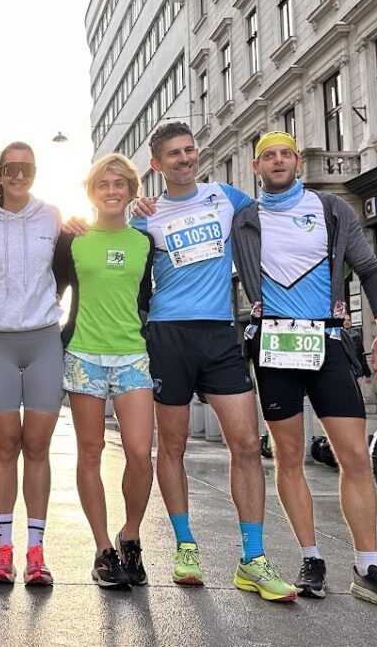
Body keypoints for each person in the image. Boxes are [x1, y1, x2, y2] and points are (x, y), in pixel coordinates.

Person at [65, 122, 297, 599]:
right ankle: (184, 546)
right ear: (157, 165)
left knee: (248, 445)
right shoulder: (144, 220)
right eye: (173, 153)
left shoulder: (228, 198)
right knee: (169, 448)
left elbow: (276, 212)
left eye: (189, 150)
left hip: (219, 333)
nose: (184, 158)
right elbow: (106, 250)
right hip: (166, 336)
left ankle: (253, 558)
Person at [233, 131, 377, 613]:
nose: (277, 161)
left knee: (355, 455)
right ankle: (310, 557)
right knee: (289, 456)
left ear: (297, 162)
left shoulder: (332, 210)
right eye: (267, 156)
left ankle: (368, 566)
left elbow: (370, 268)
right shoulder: (245, 219)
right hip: (274, 346)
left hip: (329, 342)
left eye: (284, 154)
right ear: (256, 168)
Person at [56, 154, 155, 589]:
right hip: (83, 355)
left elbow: (147, 298)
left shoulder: (145, 242)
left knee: (138, 452)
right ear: (91, 191)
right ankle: (103, 549)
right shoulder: (72, 240)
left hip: (132, 355)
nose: (112, 190)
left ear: (132, 192)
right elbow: (49, 290)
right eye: (103, 184)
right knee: (90, 451)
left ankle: (130, 535)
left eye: (120, 184)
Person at [0, 141, 63, 586]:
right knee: (5, 446)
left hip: (44, 340)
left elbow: (67, 268)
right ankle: (3, 550)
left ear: (35, 171)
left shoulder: (54, 215)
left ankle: (36, 551)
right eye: (11, 168)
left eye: (27, 168)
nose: (19, 175)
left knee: (38, 448)